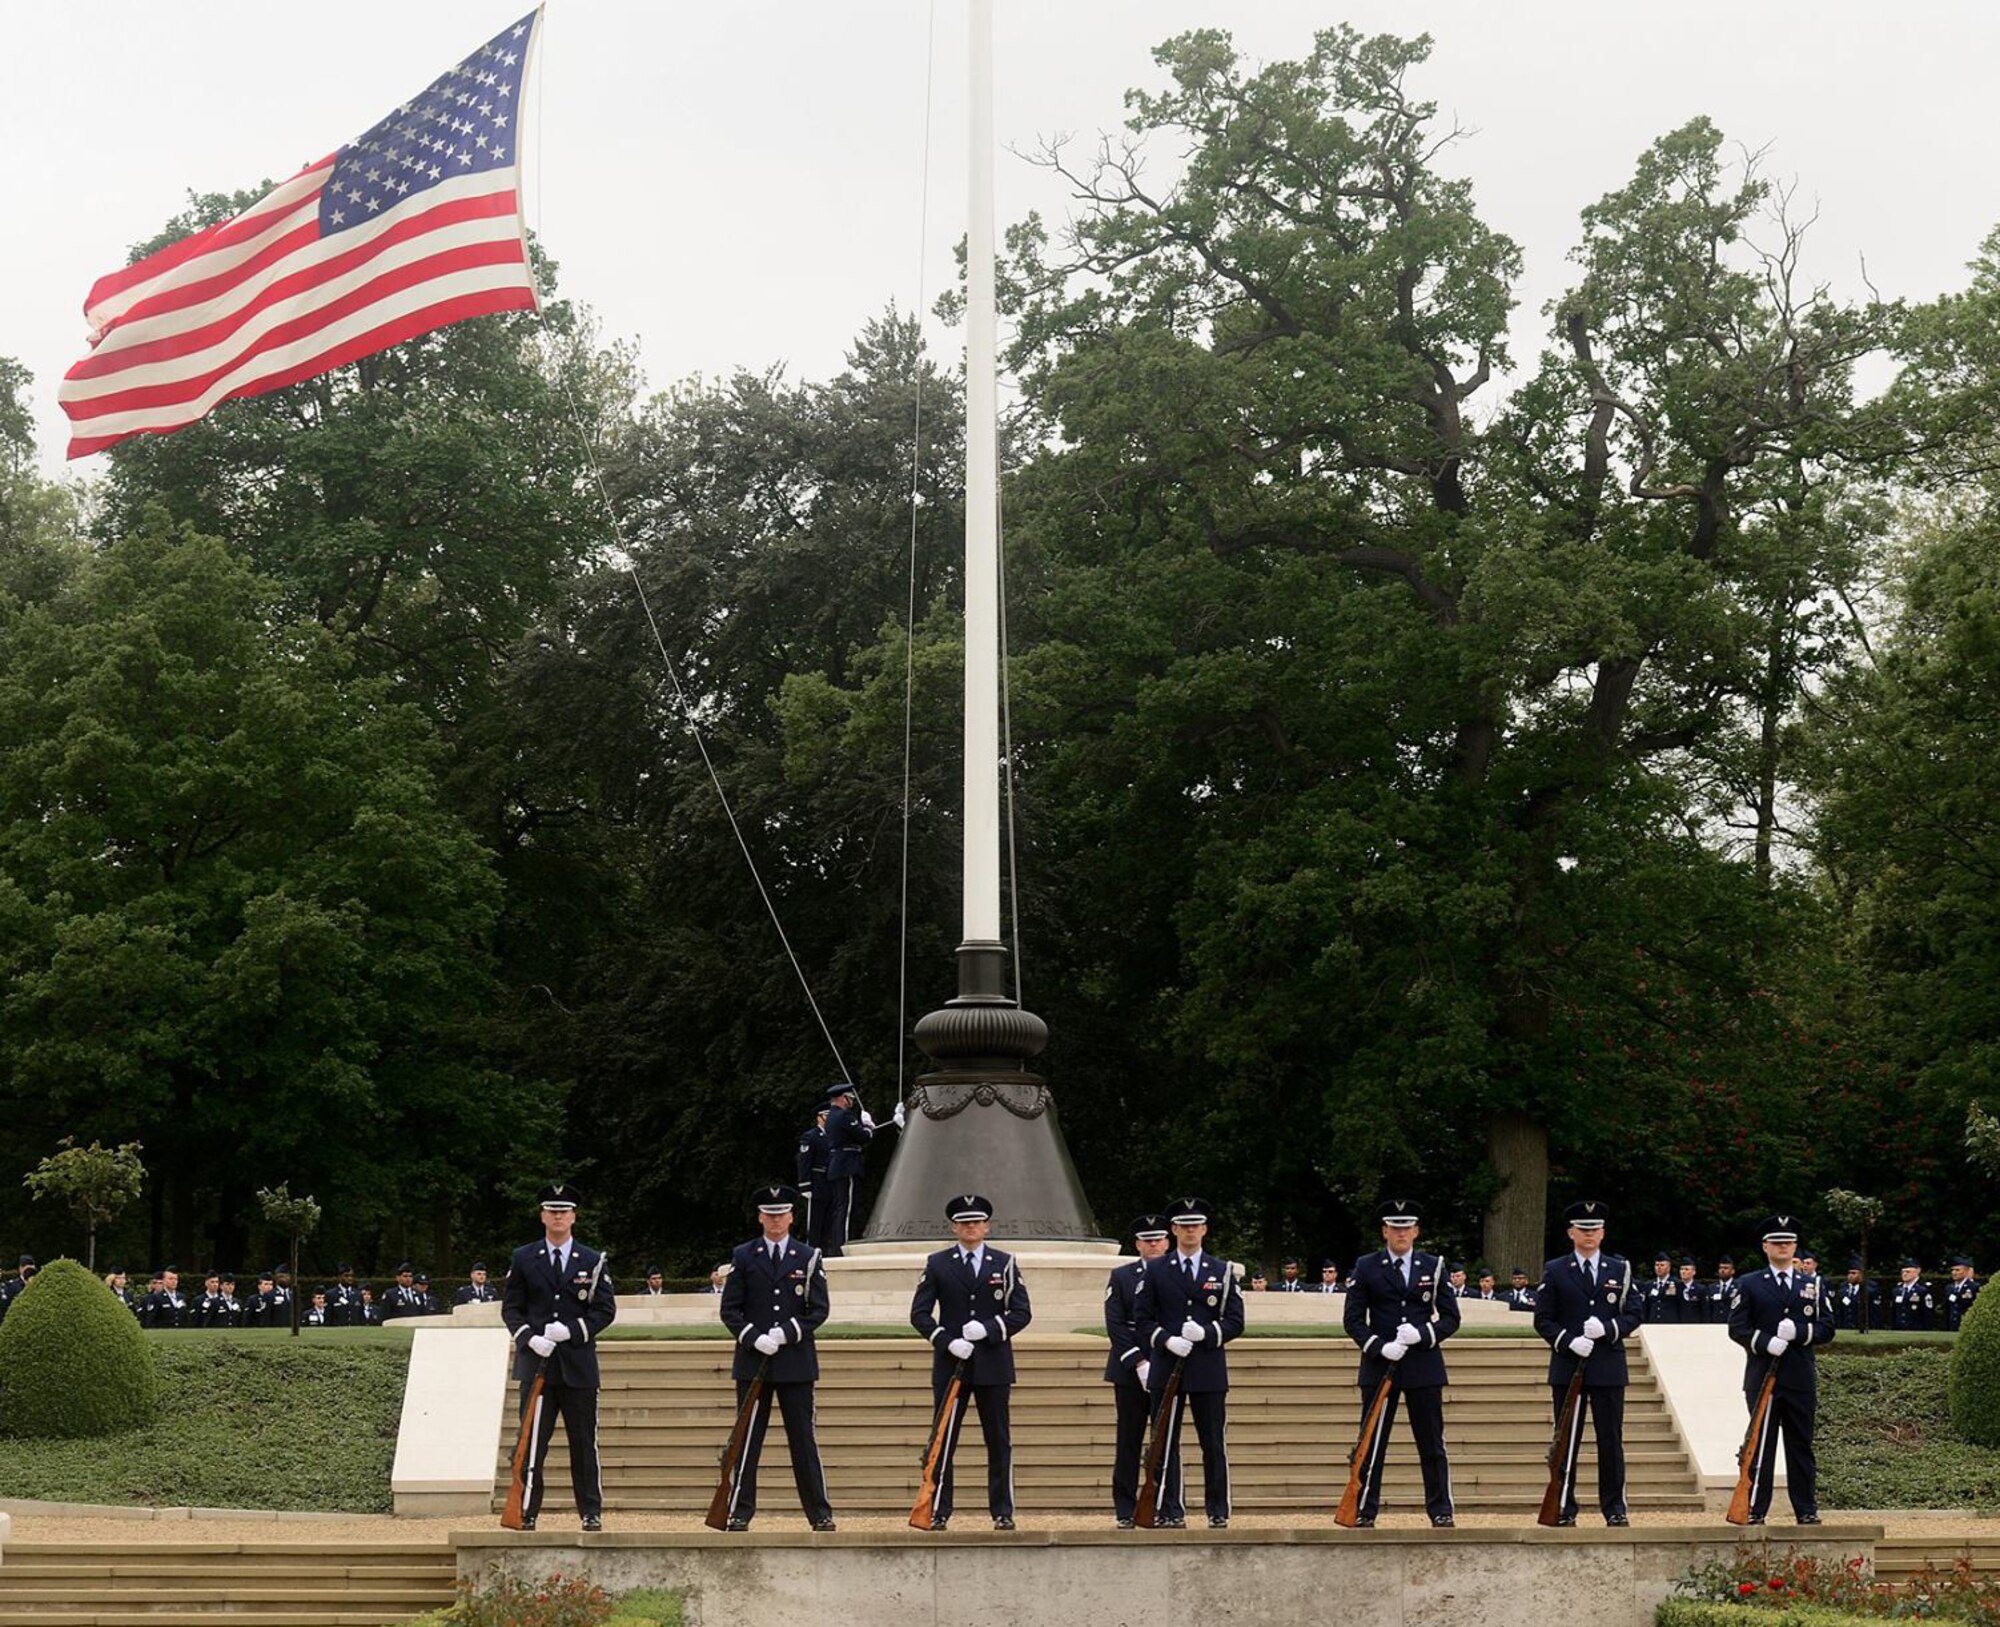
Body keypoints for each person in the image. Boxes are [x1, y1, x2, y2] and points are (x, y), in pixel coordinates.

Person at [909, 1193, 1032, 1530]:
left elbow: (1022, 1312)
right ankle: (937, 1509)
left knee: (999, 1441)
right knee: (943, 1440)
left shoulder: (1004, 1263)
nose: (970, 1228)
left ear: (986, 1227)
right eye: (964, 1223)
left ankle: (1002, 1511)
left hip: (993, 1363)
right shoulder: (938, 1263)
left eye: (976, 1222)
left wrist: (991, 1329)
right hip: (952, 1365)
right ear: (954, 1227)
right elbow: (919, 1314)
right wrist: (947, 1342)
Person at [715, 1184, 834, 1531]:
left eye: (781, 1214)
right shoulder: (744, 1255)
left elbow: (819, 1309)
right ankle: (739, 1509)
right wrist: (754, 1337)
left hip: (795, 1361)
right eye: (770, 1214)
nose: (776, 1220)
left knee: (804, 1442)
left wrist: (788, 1332)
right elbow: (730, 1310)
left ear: (791, 1217)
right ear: (760, 1218)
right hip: (754, 1363)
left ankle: (819, 1512)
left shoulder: (808, 1257)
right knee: (747, 1440)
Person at [502, 1181, 618, 1531]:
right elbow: (511, 1309)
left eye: (563, 1211)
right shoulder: (523, 1257)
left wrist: (572, 1330)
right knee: (532, 1443)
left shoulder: (592, 1260)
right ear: (542, 1216)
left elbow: (605, 1310)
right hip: (536, 1364)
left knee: (584, 1444)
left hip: (578, 1366)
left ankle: (590, 1511)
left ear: (573, 1217)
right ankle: (526, 1509)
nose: (557, 1216)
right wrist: (529, 1339)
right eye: (552, 1210)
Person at [1342, 1197, 1460, 1528]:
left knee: (1432, 1443)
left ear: (1417, 1231)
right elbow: (1353, 1320)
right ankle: (1365, 1507)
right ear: (1385, 1232)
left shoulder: (1433, 1266)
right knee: (1371, 1442)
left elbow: (1451, 1318)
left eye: (1407, 1227)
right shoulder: (1366, 1266)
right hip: (1381, 1365)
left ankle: (1440, 1508)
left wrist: (1422, 1334)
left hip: (1423, 1364)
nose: (1401, 1233)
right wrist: (1379, 1347)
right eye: (1395, 1227)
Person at [1136, 1196, 1246, 1529]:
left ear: (1205, 1229)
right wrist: (1167, 1339)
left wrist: (1207, 1332)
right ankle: (1171, 1508)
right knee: (1164, 1443)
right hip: (1167, 1364)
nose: (1189, 1231)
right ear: (1174, 1230)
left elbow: (1235, 1321)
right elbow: (1141, 1319)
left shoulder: (1222, 1271)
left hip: (1207, 1367)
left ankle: (1218, 1509)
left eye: (1195, 1225)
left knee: (1212, 1441)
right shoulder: (1155, 1269)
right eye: (1183, 1226)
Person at [1534, 1199, 1641, 1527]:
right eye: (1583, 1229)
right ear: (1571, 1233)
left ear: (1603, 1233)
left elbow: (1635, 1312)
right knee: (1567, 1439)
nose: (1590, 1234)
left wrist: (1608, 1329)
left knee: (1611, 1441)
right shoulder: (1555, 1270)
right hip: (1569, 1366)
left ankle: (1615, 1508)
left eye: (1595, 1229)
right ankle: (1564, 1505)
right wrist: (1568, 1340)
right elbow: (1543, 1319)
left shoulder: (1619, 1269)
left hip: (1608, 1366)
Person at [1727, 1213, 1835, 1525]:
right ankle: (1755, 1508)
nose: (1783, 1247)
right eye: (1777, 1242)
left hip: (1799, 1377)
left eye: (1788, 1242)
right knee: (1761, 1445)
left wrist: (1800, 1333)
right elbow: (1737, 1328)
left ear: (1796, 1246)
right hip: (1763, 1377)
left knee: (1800, 1445)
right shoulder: (1748, 1284)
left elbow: (1827, 1328)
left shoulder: (1812, 1284)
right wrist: (1764, 1342)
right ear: (1765, 1247)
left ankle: (1805, 1508)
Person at [819, 1083, 876, 1258]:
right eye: (849, 1098)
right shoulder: (844, 1116)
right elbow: (863, 1137)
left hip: (838, 1164)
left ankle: (838, 1244)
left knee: (841, 1206)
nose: (851, 1102)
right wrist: (868, 1126)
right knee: (846, 1207)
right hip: (847, 1164)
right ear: (843, 1098)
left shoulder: (832, 1117)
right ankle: (842, 1244)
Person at [796, 1103, 831, 1250]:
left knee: (829, 1219)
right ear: (819, 1117)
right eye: (827, 1116)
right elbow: (804, 1161)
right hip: (817, 1182)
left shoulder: (834, 1135)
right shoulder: (811, 1136)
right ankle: (812, 1250)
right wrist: (805, 1185)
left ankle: (826, 1250)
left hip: (831, 1181)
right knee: (815, 1220)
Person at [1834, 1257, 1879, 1332]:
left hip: (1863, 1328)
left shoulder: (1870, 1290)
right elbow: (1839, 1311)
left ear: (1861, 1274)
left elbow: (1874, 1314)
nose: (1850, 1276)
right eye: (1849, 1273)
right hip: (1845, 1328)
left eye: (1854, 1273)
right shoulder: (1842, 1290)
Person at [1891, 1261, 1934, 1331]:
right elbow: (1893, 1312)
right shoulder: (1897, 1290)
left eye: (1908, 1272)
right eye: (1903, 1272)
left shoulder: (1923, 1289)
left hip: (1917, 1329)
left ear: (1917, 1271)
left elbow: (1927, 1313)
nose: (1904, 1274)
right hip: (1898, 1329)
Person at [1640, 1252, 1679, 1323]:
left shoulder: (1677, 1284)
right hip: (1653, 1324)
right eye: (1657, 1265)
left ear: (1669, 1267)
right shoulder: (1648, 1285)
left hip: (1671, 1324)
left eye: (1662, 1265)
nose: (1659, 1267)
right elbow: (1645, 1307)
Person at [1946, 1257, 1982, 1332]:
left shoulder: (1974, 1287)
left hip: (1968, 1326)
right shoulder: (1949, 1288)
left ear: (1966, 1271)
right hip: (1952, 1326)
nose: (1954, 1272)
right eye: (1952, 1270)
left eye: (1957, 1270)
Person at [0, 1254, 36, 1324]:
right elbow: (4, 1308)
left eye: (32, 1270)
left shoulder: (38, 1285)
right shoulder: (13, 1286)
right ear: (20, 1268)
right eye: (27, 1269)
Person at [1709, 1257, 1740, 1325]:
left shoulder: (1739, 1287)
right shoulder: (1712, 1287)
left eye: (1726, 1268)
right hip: (1715, 1324)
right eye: (1720, 1268)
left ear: (1733, 1271)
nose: (1722, 1270)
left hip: (1733, 1324)